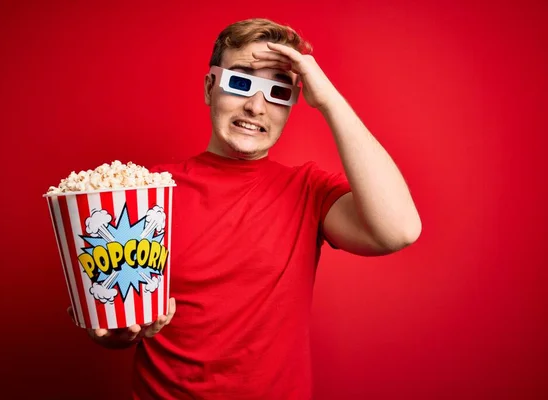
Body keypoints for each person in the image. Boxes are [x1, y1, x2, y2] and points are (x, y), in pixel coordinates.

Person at [69, 18, 421, 399]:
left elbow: (398, 230)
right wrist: (117, 332)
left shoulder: (307, 190)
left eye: (278, 91)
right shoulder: (145, 190)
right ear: (210, 88)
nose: (256, 107)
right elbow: (116, 314)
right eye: (240, 82)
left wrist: (330, 100)